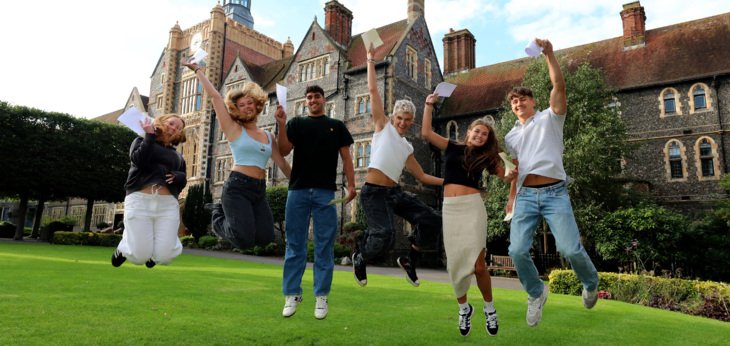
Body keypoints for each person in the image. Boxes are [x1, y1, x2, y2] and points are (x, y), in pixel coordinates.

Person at [504, 38, 599, 327]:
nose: (518, 103)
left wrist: (550, 55)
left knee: (570, 249)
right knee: (516, 250)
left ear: (533, 102)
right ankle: (536, 293)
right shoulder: (510, 137)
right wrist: (510, 195)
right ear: (512, 108)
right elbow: (516, 169)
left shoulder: (550, 119)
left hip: (555, 193)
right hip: (526, 196)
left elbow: (559, 86)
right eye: (514, 101)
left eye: (523, 99)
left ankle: (591, 282)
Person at [422, 94, 515, 337]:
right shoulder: (453, 147)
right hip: (450, 209)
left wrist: (510, 165)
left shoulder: (487, 157)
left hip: (472, 207)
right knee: (454, 266)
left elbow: (506, 176)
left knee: (479, 265)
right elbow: (426, 134)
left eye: (484, 134)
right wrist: (428, 105)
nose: (480, 136)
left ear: (487, 139)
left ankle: (490, 308)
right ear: (469, 132)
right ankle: (464, 309)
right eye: (477, 132)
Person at [351, 46, 443, 288]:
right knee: (385, 236)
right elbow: (372, 91)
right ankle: (360, 256)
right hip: (373, 193)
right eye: (399, 118)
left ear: (411, 122)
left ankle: (410, 259)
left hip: (395, 193)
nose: (402, 122)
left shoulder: (407, 147)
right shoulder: (383, 128)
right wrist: (370, 60)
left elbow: (421, 175)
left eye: (407, 119)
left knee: (432, 219)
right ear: (393, 118)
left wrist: (449, 181)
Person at [182, 59, 291, 250]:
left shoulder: (268, 136)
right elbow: (216, 98)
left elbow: (282, 162)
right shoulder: (233, 129)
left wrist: (302, 183)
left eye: (250, 103)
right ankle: (217, 213)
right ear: (236, 109)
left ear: (257, 105)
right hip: (237, 187)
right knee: (244, 240)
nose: (247, 106)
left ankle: (222, 213)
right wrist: (198, 70)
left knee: (266, 237)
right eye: (242, 104)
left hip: (259, 189)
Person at [275, 85, 356, 320]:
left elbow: (347, 158)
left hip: (325, 193)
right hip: (298, 190)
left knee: (324, 247)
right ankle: (292, 294)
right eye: (309, 97)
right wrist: (281, 124)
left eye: (316, 96)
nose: (312, 100)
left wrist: (352, 185)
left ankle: (321, 296)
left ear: (323, 100)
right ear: (305, 101)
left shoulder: (337, 126)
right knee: (295, 245)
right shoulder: (297, 124)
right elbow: (283, 149)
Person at [112, 114, 187, 268]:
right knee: (139, 258)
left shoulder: (178, 156)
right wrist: (150, 135)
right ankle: (123, 247)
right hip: (140, 200)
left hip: (167, 205)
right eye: (172, 123)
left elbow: (182, 181)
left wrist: (178, 176)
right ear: (161, 121)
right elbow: (139, 160)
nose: (174, 128)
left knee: (164, 258)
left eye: (178, 128)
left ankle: (155, 255)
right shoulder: (141, 141)